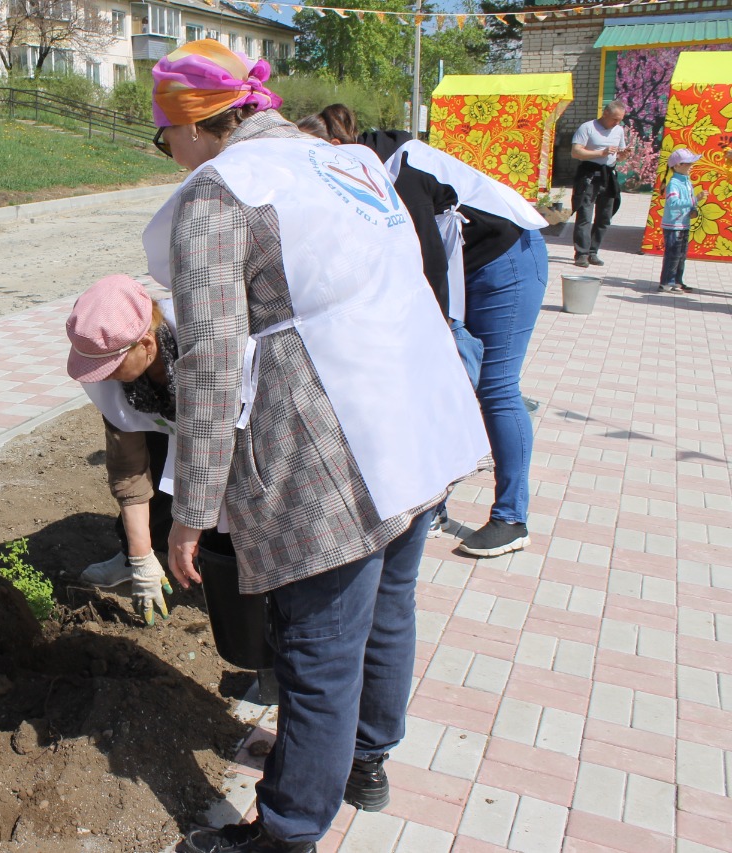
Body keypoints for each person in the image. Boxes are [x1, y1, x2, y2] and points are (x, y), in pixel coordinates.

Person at [144, 41, 489, 853]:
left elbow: (211, 367)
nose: (170, 157)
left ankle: (291, 828)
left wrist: (190, 511)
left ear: (193, 125)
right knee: (389, 604)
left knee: (319, 647)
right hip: (416, 415)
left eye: (164, 139)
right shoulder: (349, 162)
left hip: (333, 445)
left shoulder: (219, 194)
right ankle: (366, 760)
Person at [314, 104, 550, 557]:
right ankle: (434, 502)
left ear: (338, 149)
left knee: (496, 388)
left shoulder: (401, 170)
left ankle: (511, 518)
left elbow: (427, 268)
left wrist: (431, 339)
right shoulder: (370, 171)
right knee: (445, 386)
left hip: (509, 259)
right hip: (470, 265)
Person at [64, 274, 175, 626]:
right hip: (164, 416)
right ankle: (136, 553)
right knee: (154, 463)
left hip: (225, 422)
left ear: (146, 343)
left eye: (111, 366)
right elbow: (129, 470)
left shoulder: (201, 347)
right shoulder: (120, 385)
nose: (104, 376)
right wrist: (141, 557)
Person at [570, 101, 628, 268]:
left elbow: (618, 157)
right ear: (605, 114)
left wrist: (624, 154)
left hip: (608, 174)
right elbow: (575, 152)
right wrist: (600, 153)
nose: (617, 123)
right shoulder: (587, 127)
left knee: (604, 216)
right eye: (615, 119)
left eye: (620, 120)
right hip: (589, 175)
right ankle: (581, 253)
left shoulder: (618, 130)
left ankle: (593, 252)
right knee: (585, 215)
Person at [659, 148, 705, 293]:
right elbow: (672, 203)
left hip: (684, 223)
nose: (691, 166)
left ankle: (677, 281)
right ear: (677, 166)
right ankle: (667, 282)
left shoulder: (686, 181)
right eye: (688, 164)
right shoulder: (674, 183)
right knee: (672, 254)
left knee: (681, 255)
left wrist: (693, 209)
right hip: (673, 225)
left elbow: (689, 202)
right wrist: (695, 199)